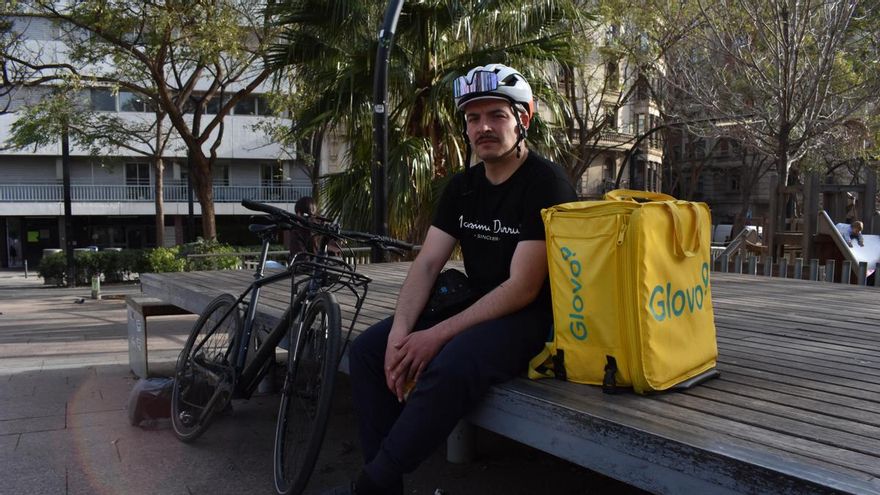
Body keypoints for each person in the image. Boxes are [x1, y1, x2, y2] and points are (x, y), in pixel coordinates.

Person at [329, 63, 577, 495]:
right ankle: (386, 486)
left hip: (534, 317)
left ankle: (371, 485)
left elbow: (523, 287)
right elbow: (427, 264)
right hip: (478, 301)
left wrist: (436, 336)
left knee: (450, 363)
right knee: (369, 351)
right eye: (473, 118)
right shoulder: (461, 187)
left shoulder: (546, 182)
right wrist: (401, 335)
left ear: (524, 117)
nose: (483, 127)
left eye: (496, 115)